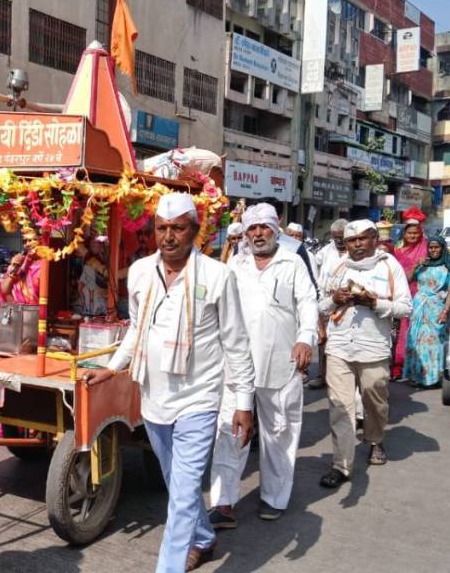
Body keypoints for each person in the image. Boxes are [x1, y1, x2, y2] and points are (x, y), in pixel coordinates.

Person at [84, 192, 256, 572]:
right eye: (162, 228)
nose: (169, 236)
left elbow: (236, 342)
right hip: (155, 397)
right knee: (177, 483)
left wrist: (244, 401)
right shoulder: (142, 272)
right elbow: (137, 330)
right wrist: (112, 367)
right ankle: (204, 537)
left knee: (180, 493)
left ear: (194, 230)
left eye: (178, 228)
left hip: (199, 398)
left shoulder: (217, 276)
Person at [211, 204, 317, 525]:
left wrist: (306, 338)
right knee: (230, 432)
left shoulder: (292, 262)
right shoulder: (236, 264)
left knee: (279, 433)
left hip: (281, 364)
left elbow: (308, 303)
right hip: (238, 366)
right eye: (252, 228)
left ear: (276, 229)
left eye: (264, 228)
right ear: (245, 232)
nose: (258, 234)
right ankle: (223, 503)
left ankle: (274, 496)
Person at [318, 220, 411, 488]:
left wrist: (375, 302)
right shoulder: (336, 267)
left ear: (374, 239)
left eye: (362, 239)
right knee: (340, 406)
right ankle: (342, 465)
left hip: (373, 347)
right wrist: (335, 299)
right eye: (351, 240)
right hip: (339, 348)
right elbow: (320, 305)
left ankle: (375, 439)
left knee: (374, 399)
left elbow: (406, 308)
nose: (357, 244)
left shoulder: (388, 265)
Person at [403, 235, 450, 389]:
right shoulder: (423, 264)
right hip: (419, 307)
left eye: (436, 247)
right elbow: (407, 280)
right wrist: (415, 266)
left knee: (433, 343)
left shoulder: (448, 268)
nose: (433, 250)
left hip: (436, 309)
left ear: (442, 248)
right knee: (416, 341)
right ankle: (416, 376)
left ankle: (431, 378)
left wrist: (445, 311)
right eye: (430, 247)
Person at [308, 218, 349, 390]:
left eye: (342, 237)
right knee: (323, 340)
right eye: (336, 237)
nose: (339, 241)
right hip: (326, 301)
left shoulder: (357, 251)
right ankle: (322, 375)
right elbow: (313, 270)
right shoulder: (325, 252)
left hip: (348, 303)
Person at [392, 206, 428, 379]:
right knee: (400, 332)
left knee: (419, 332)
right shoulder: (397, 250)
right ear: (404, 234)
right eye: (409, 233)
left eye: (416, 233)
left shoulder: (428, 249)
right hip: (402, 294)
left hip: (422, 297)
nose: (413, 236)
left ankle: (415, 368)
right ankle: (398, 365)